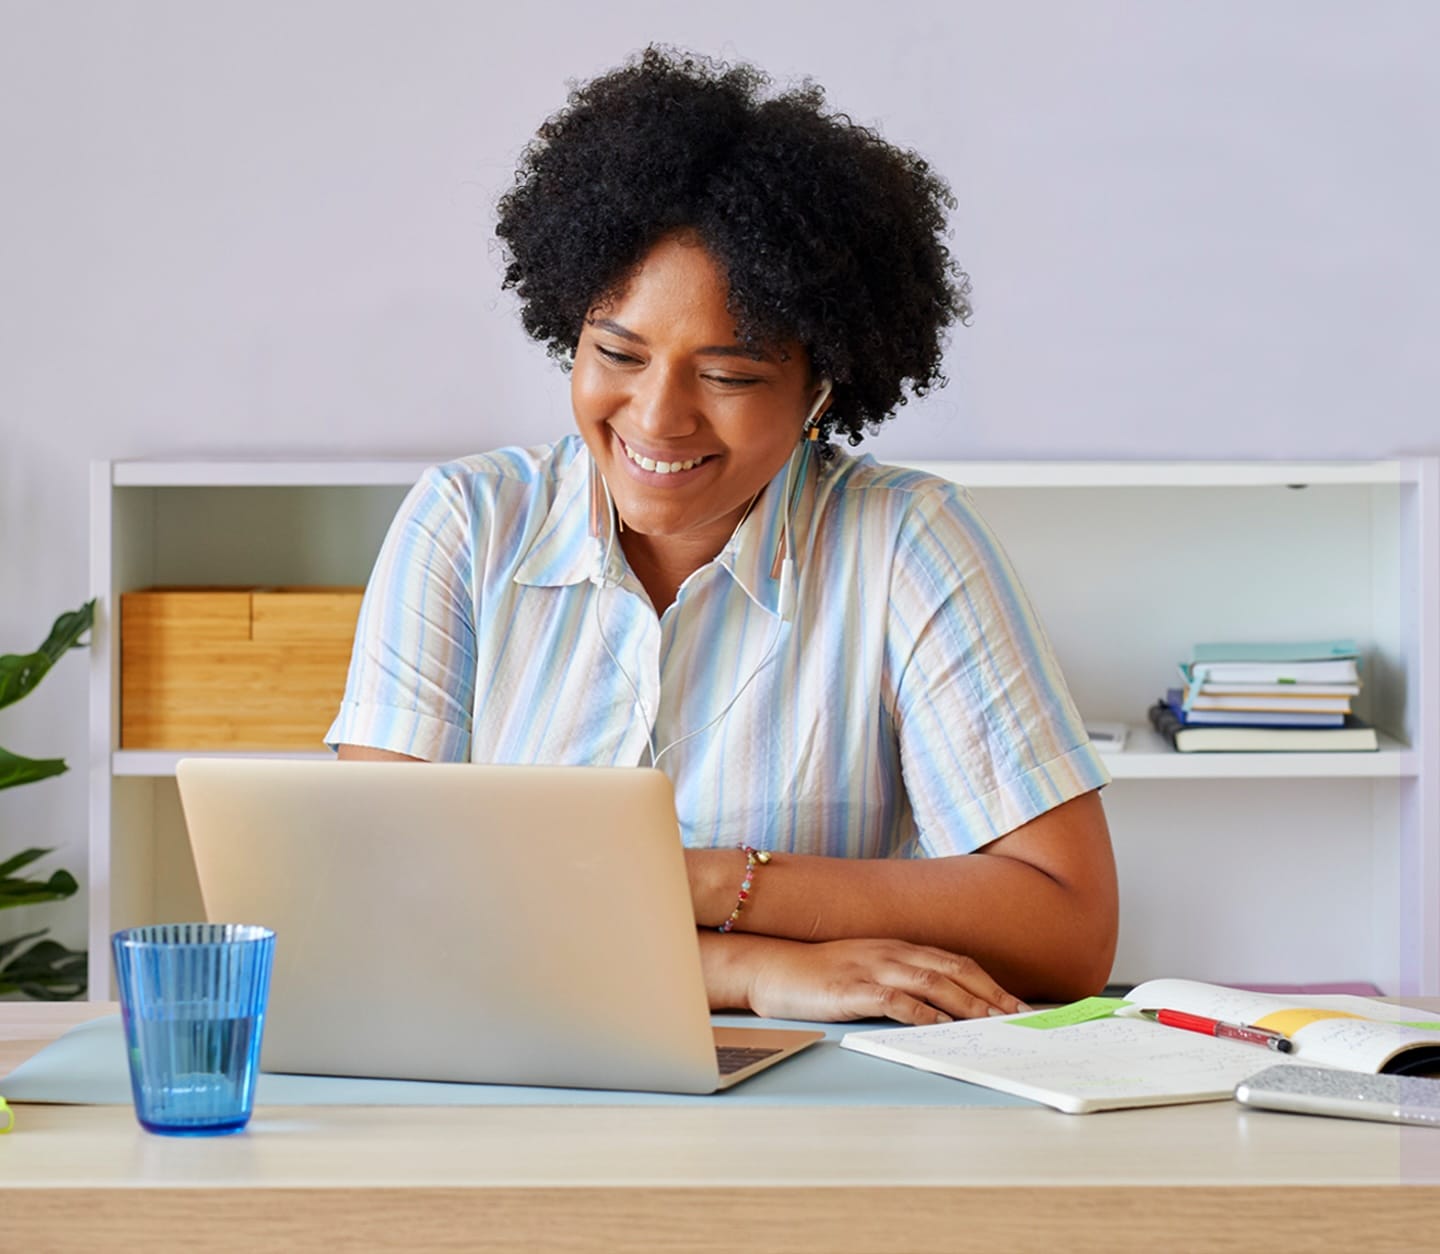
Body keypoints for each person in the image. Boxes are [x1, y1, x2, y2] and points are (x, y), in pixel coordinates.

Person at [329, 46, 1118, 1025]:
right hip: (506, 1067)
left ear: (820, 388)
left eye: (729, 376)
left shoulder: (905, 542)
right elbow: (375, 905)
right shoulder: (465, 524)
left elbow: (1067, 929)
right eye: (617, 354)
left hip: (814, 1090)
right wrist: (744, 969)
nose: (658, 418)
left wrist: (702, 880)